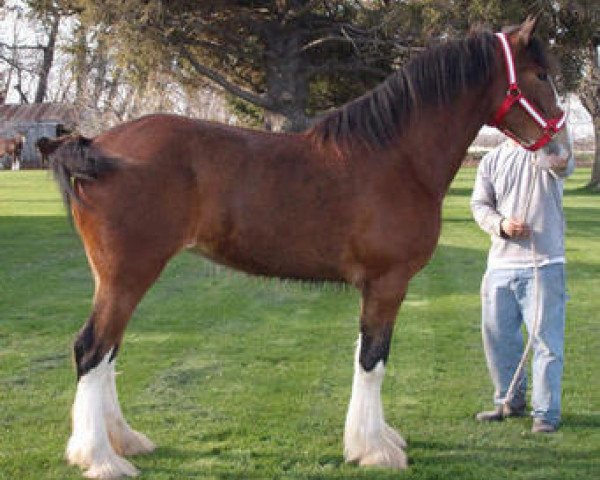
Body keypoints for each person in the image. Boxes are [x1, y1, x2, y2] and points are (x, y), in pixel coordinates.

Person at [470, 135, 574, 433]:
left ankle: (545, 414)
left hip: (545, 264)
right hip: (500, 265)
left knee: (545, 343)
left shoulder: (549, 149)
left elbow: (564, 165)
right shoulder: (492, 160)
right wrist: (501, 225)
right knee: (499, 341)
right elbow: (479, 204)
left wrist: (553, 151)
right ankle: (509, 402)